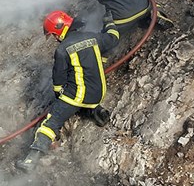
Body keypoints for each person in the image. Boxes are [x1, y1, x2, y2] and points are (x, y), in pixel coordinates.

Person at [16, 10, 119, 172]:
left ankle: (30, 160)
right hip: (98, 93)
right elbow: (113, 39)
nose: (56, 38)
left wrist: (59, 97)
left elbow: (58, 80)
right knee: (81, 103)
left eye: (54, 34)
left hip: (76, 96)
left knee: (51, 122)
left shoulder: (62, 50)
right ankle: (96, 112)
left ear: (60, 29)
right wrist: (109, 22)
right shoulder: (93, 37)